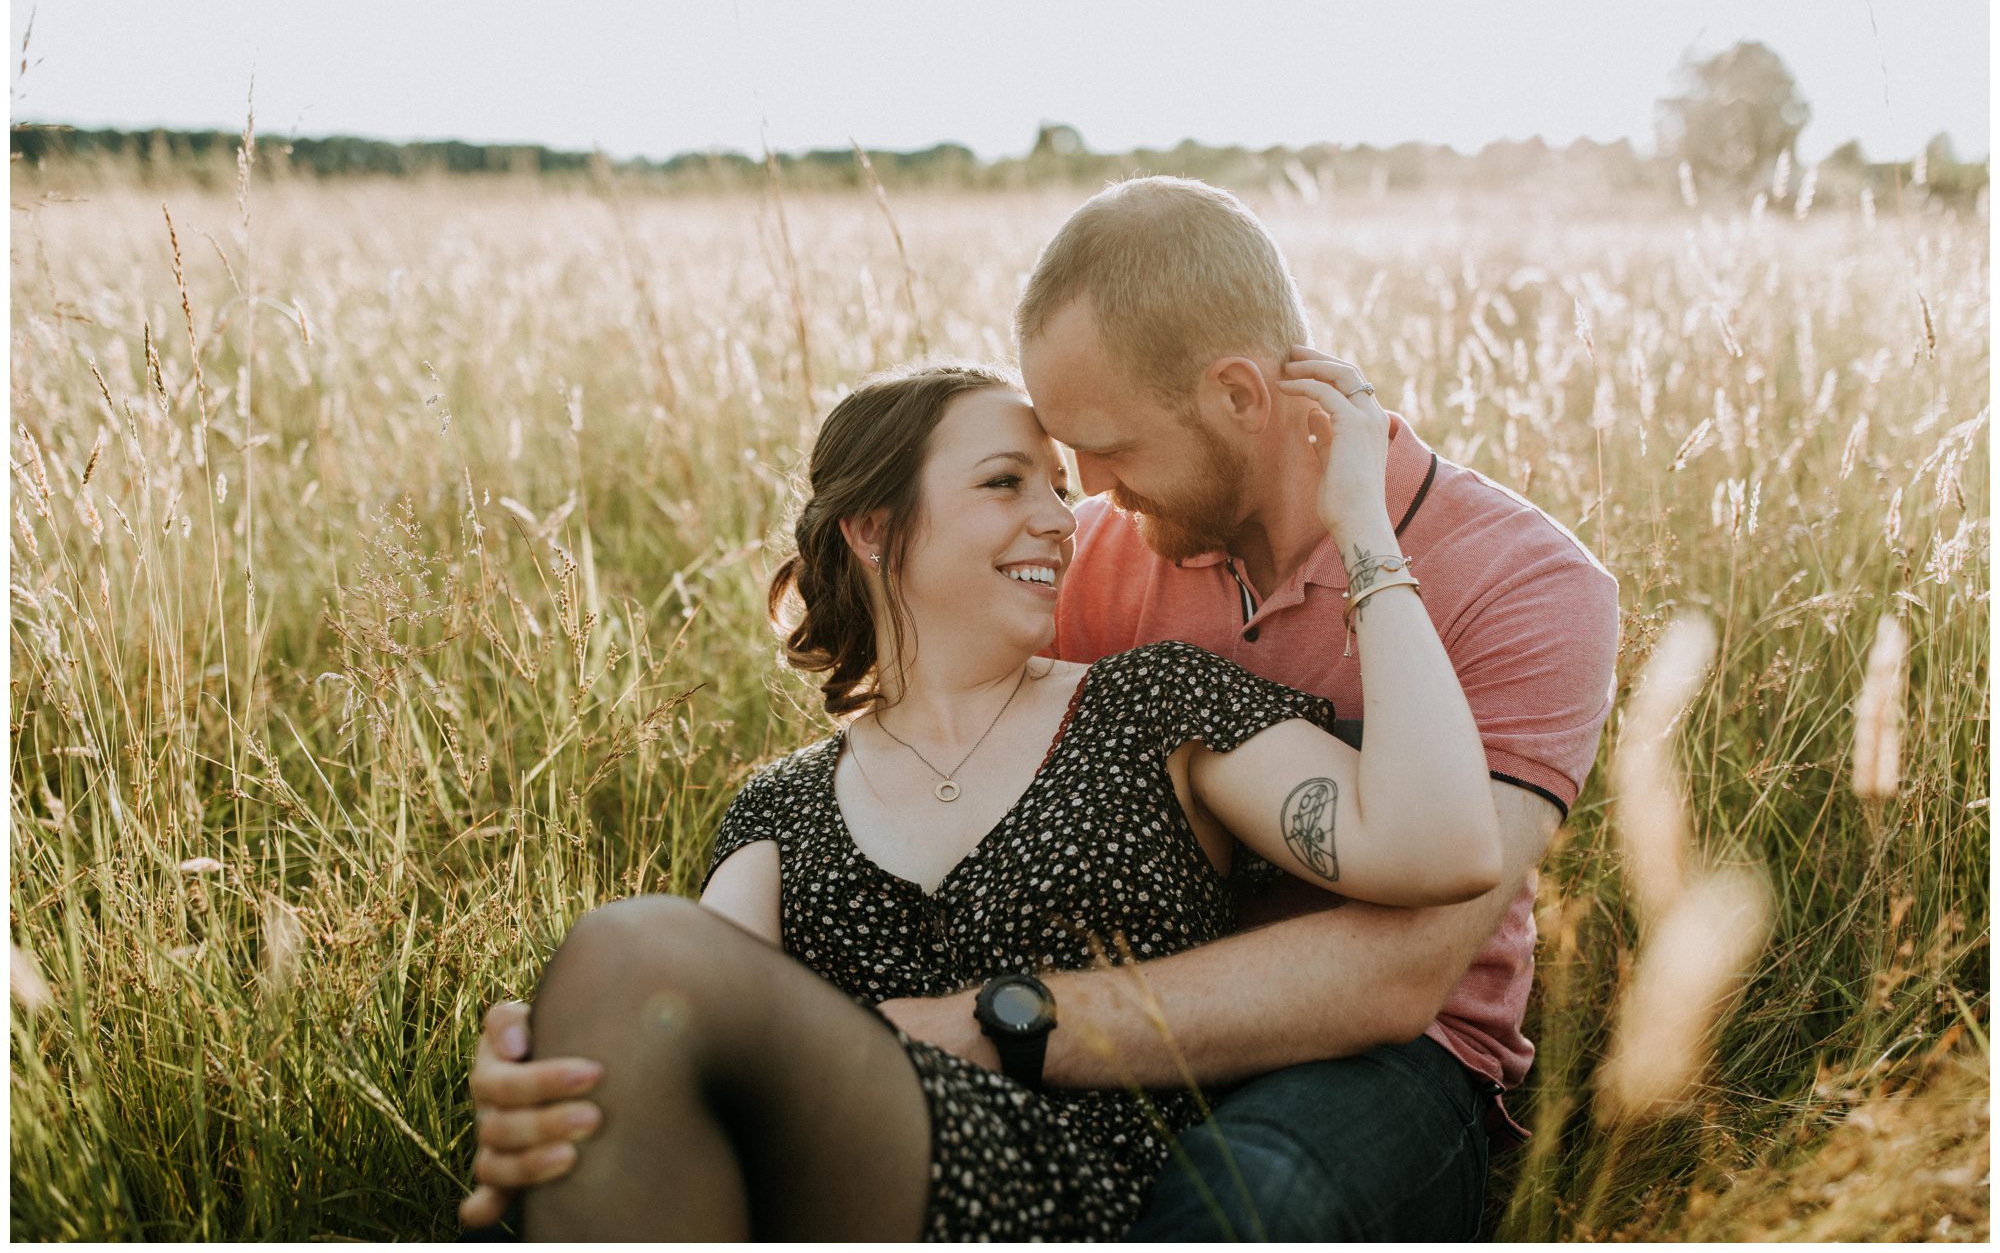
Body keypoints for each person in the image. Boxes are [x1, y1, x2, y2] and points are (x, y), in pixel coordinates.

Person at [465, 177, 1621, 1241]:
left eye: (1096, 455)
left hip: (1378, 1052)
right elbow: (947, 727)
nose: (1080, 506)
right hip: (1048, 1063)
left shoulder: (1526, 582)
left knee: (1241, 1201)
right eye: (1035, 472)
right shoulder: (1083, 561)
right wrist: (589, 1052)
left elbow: (1404, 964)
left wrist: (984, 1022)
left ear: (1235, 395)